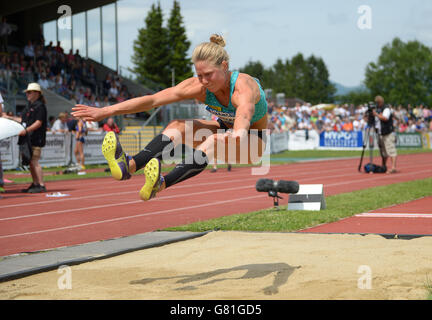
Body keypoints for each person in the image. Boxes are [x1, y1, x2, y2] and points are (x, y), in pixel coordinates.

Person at [72, 34, 267, 201]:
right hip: (226, 131)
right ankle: (129, 165)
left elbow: (243, 115)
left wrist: (236, 135)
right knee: (177, 125)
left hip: (252, 142)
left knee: (214, 141)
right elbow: (153, 100)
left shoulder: (243, 87)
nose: (204, 81)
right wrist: (105, 111)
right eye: (199, 75)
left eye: (208, 74)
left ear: (224, 66)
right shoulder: (198, 87)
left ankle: (162, 182)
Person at [3, 83, 48, 192]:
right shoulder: (29, 106)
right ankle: (35, 183)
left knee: (34, 161)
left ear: (37, 93)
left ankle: (41, 185)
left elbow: (38, 123)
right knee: (31, 161)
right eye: (27, 92)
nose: (27, 94)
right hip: (29, 138)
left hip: (36, 137)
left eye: (29, 92)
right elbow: (22, 120)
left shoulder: (40, 106)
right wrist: (8, 117)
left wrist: (26, 130)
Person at [372, 96, 397, 174]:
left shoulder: (386, 109)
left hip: (388, 133)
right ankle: (384, 166)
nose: (376, 105)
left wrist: (376, 114)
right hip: (380, 133)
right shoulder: (378, 109)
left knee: (390, 150)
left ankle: (393, 167)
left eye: (377, 103)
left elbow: (385, 118)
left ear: (380, 102)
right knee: (383, 151)